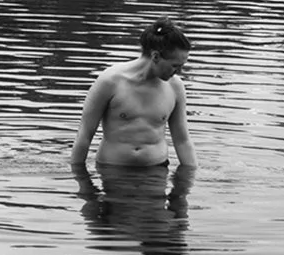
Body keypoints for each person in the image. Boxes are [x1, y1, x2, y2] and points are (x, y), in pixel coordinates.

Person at [71, 18, 196, 172]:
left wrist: (189, 181)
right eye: (175, 66)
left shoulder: (175, 87)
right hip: (112, 170)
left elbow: (182, 140)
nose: (179, 72)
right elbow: (84, 135)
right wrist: (80, 180)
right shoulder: (110, 81)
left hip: (156, 173)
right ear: (155, 57)